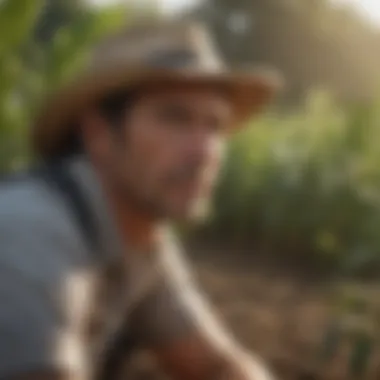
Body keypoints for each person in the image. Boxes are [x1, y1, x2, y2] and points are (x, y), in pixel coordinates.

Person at [0, 20, 281, 380]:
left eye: (215, 126)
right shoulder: (28, 232)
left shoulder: (138, 235)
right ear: (97, 133)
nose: (204, 151)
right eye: (175, 117)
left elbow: (217, 366)